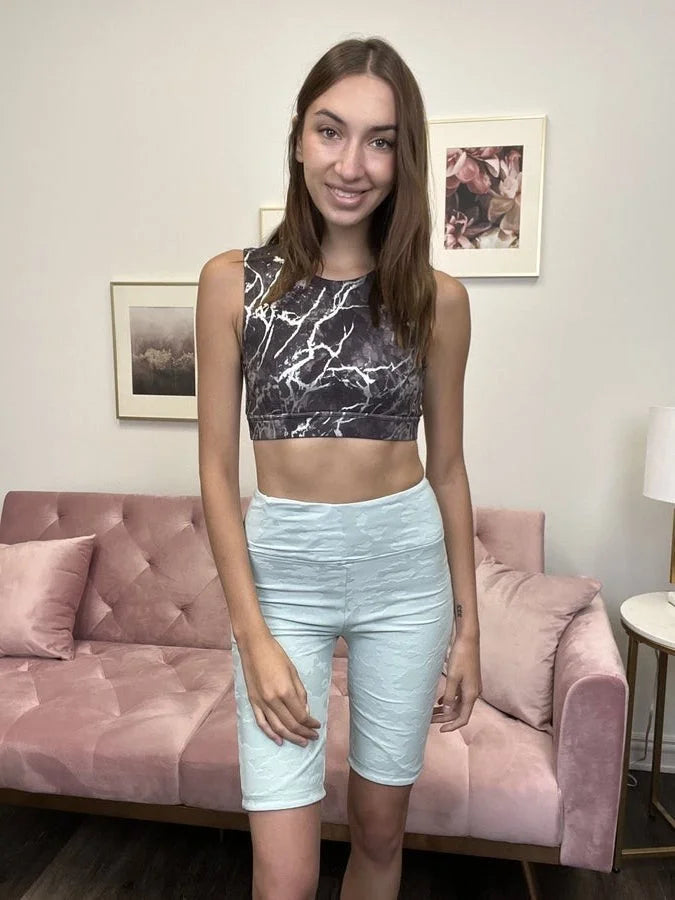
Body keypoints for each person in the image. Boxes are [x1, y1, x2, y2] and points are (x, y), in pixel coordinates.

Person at [196, 35, 481, 900]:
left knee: (380, 834)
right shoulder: (231, 284)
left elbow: (449, 469)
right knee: (283, 875)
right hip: (283, 581)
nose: (351, 164)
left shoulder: (436, 299)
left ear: (404, 157)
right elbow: (215, 472)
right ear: (297, 139)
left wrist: (468, 632)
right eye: (330, 131)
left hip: (405, 574)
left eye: (380, 141)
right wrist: (252, 639)